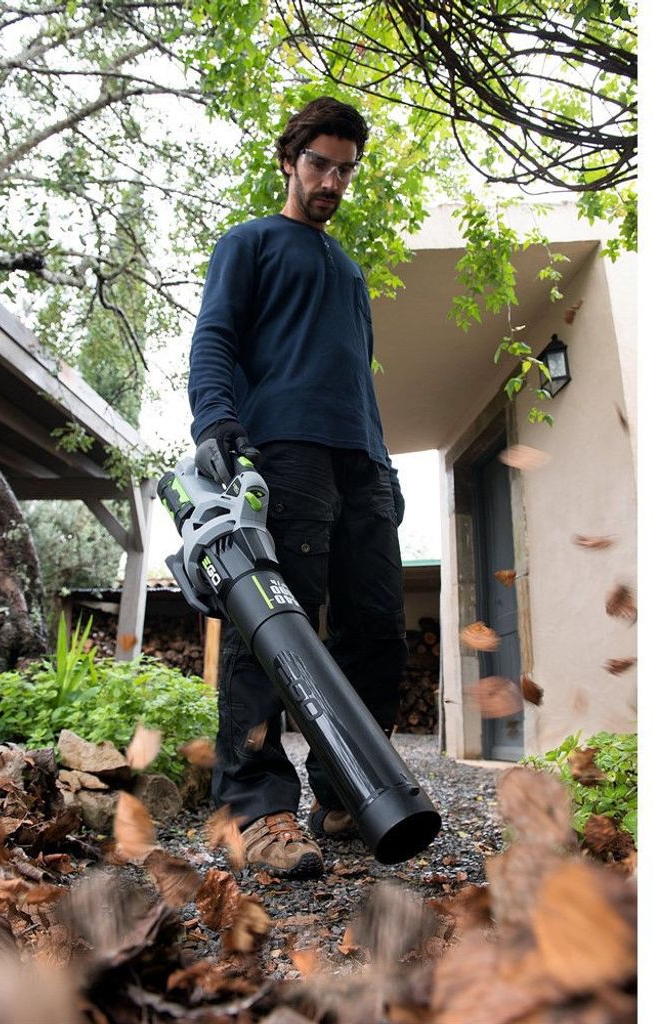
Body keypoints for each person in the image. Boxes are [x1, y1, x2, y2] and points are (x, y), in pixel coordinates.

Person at [187, 96, 407, 879]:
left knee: (378, 632)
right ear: (289, 161)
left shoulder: (348, 269)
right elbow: (214, 337)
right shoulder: (249, 242)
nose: (331, 182)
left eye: (345, 169)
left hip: (361, 463)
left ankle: (345, 794)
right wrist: (216, 422)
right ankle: (258, 809)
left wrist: (383, 464)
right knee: (274, 630)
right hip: (285, 453)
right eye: (319, 164)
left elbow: (357, 379)